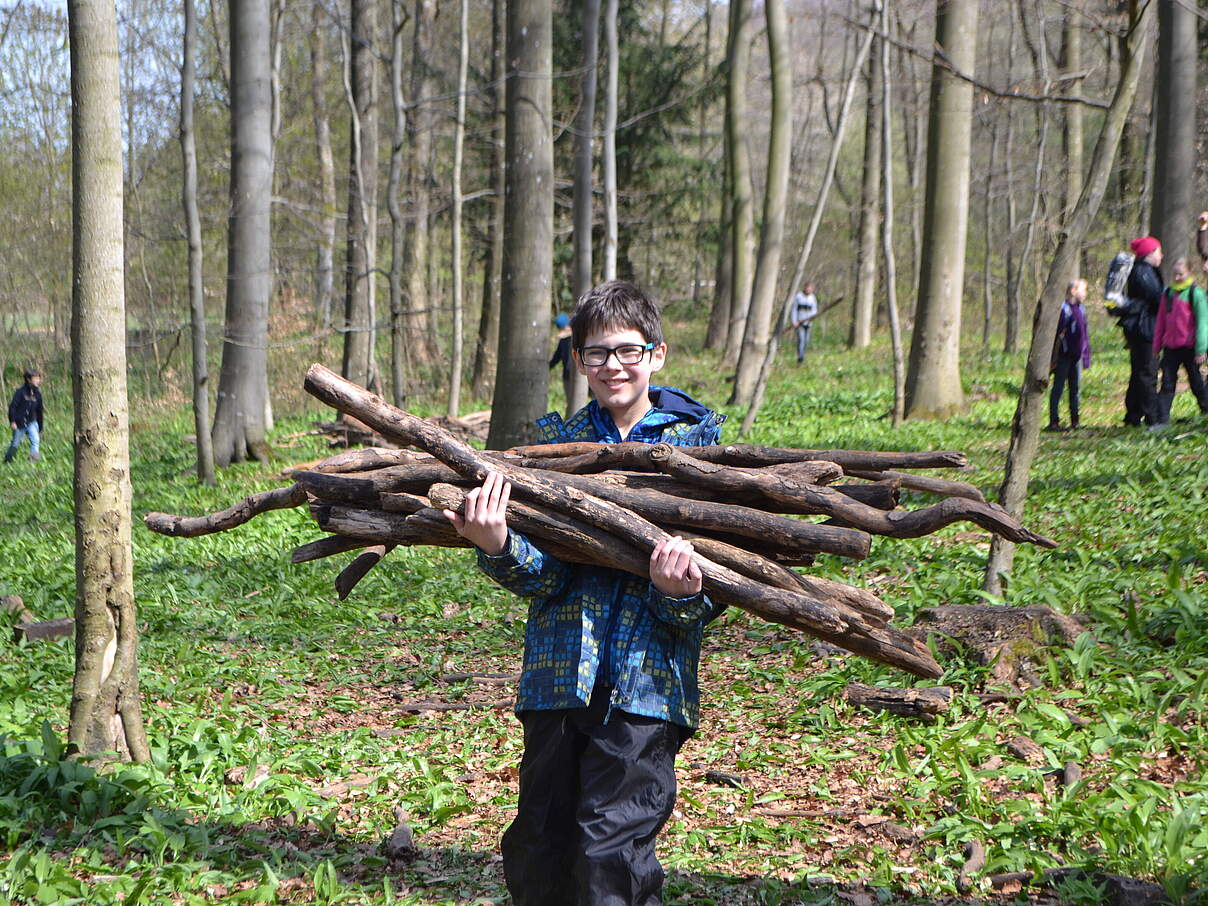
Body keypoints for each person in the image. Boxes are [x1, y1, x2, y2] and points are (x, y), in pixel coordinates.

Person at [443, 280, 725, 906]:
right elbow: (546, 577)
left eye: (628, 350)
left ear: (657, 354)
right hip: (557, 678)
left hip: (646, 687)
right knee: (540, 842)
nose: (613, 365)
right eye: (597, 353)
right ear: (578, 361)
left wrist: (677, 593)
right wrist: (498, 545)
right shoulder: (554, 451)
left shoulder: (700, 451)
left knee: (610, 854)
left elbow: (719, 591)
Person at [1149, 257, 1208, 430]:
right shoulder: (1167, 294)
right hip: (1171, 348)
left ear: (1189, 273)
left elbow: (1202, 323)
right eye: (1174, 274)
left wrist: (1201, 349)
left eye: (1180, 274)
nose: (1176, 277)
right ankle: (1162, 420)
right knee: (1167, 384)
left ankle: (1206, 411)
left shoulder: (1195, 294)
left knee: (1196, 383)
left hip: (1190, 348)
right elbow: (1161, 322)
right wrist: (1156, 346)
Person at [1114, 236, 1164, 427]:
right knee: (1147, 373)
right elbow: (1157, 298)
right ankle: (1152, 418)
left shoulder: (1143, 270)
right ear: (1150, 253)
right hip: (1144, 329)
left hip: (1140, 328)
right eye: (1159, 251)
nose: (1161, 256)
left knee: (1139, 372)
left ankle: (1133, 415)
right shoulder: (1143, 272)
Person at [1047, 279, 1091, 432]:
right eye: (1083, 290)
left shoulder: (1082, 310)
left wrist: (1086, 355)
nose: (1085, 294)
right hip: (1063, 355)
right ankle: (1054, 421)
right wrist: (1053, 357)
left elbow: (1085, 335)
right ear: (1073, 291)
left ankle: (1075, 420)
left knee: (1075, 388)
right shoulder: (1064, 309)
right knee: (1058, 388)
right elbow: (1057, 333)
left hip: (1077, 356)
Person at [5, 368, 44, 464]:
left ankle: (32, 462)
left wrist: (40, 428)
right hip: (19, 423)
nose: (38, 380)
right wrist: (12, 421)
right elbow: (13, 407)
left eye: (38, 378)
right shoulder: (20, 392)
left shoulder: (38, 394)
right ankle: (8, 461)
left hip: (32, 422)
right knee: (15, 444)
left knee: (35, 440)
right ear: (28, 379)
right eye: (35, 378)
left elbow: (39, 411)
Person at [786, 282, 819, 363]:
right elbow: (794, 310)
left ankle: (803, 355)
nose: (808, 290)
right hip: (799, 322)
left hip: (808, 323)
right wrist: (794, 321)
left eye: (810, 288)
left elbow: (814, 310)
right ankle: (800, 358)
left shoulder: (812, 298)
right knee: (801, 339)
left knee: (806, 341)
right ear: (805, 288)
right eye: (807, 288)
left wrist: (812, 317)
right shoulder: (798, 296)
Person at [548, 312, 575, 407]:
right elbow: (556, 357)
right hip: (567, 376)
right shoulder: (563, 341)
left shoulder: (578, 337)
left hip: (580, 375)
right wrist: (547, 367)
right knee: (571, 403)